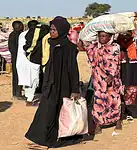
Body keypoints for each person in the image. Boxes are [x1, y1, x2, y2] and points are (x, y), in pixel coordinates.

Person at [25, 16, 81, 149]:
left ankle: (54, 139)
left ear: (62, 30)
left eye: (54, 30)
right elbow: (34, 56)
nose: (52, 32)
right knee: (45, 111)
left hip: (64, 84)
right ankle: (42, 139)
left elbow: (73, 69)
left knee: (59, 112)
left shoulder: (69, 47)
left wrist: (75, 89)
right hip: (49, 84)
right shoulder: (48, 43)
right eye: (51, 29)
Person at [79, 31, 123, 134]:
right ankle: (98, 123)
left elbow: (116, 62)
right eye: (100, 36)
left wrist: (112, 75)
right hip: (98, 78)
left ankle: (117, 121)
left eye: (104, 36)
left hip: (112, 79)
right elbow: (83, 49)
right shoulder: (95, 47)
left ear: (110, 37)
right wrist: (81, 39)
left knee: (114, 100)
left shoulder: (115, 47)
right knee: (98, 100)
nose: (101, 38)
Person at [117, 14, 137, 120]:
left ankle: (131, 112)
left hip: (134, 70)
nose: (126, 36)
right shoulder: (117, 44)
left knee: (133, 90)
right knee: (122, 89)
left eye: (128, 33)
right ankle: (122, 111)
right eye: (123, 34)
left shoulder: (135, 43)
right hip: (122, 69)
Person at [16, 20, 40, 106]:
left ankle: (27, 97)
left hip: (21, 61)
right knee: (33, 80)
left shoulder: (22, 34)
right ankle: (29, 100)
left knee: (26, 80)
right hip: (31, 61)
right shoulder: (35, 35)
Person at [8, 21, 25, 100]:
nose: (22, 27)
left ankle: (17, 93)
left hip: (16, 58)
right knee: (18, 76)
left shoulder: (13, 34)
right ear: (17, 26)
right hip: (17, 58)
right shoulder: (18, 35)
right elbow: (13, 48)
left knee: (17, 76)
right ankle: (17, 94)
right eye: (21, 25)